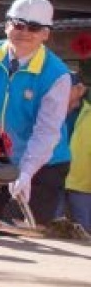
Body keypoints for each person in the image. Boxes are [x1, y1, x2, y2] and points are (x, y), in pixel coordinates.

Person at [0, 0, 72, 226]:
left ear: (46, 33)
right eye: (18, 24)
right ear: (6, 25)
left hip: (45, 164)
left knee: (31, 230)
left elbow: (47, 131)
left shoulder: (56, 74)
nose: (24, 32)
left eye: (34, 27)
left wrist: (26, 172)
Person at [62, 74, 90, 230]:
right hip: (54, 181)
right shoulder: (51, 110)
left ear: (80, 89)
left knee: (85, 231)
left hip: (82, 185)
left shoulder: (90, 115)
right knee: (51, 229)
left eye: (68, 87)